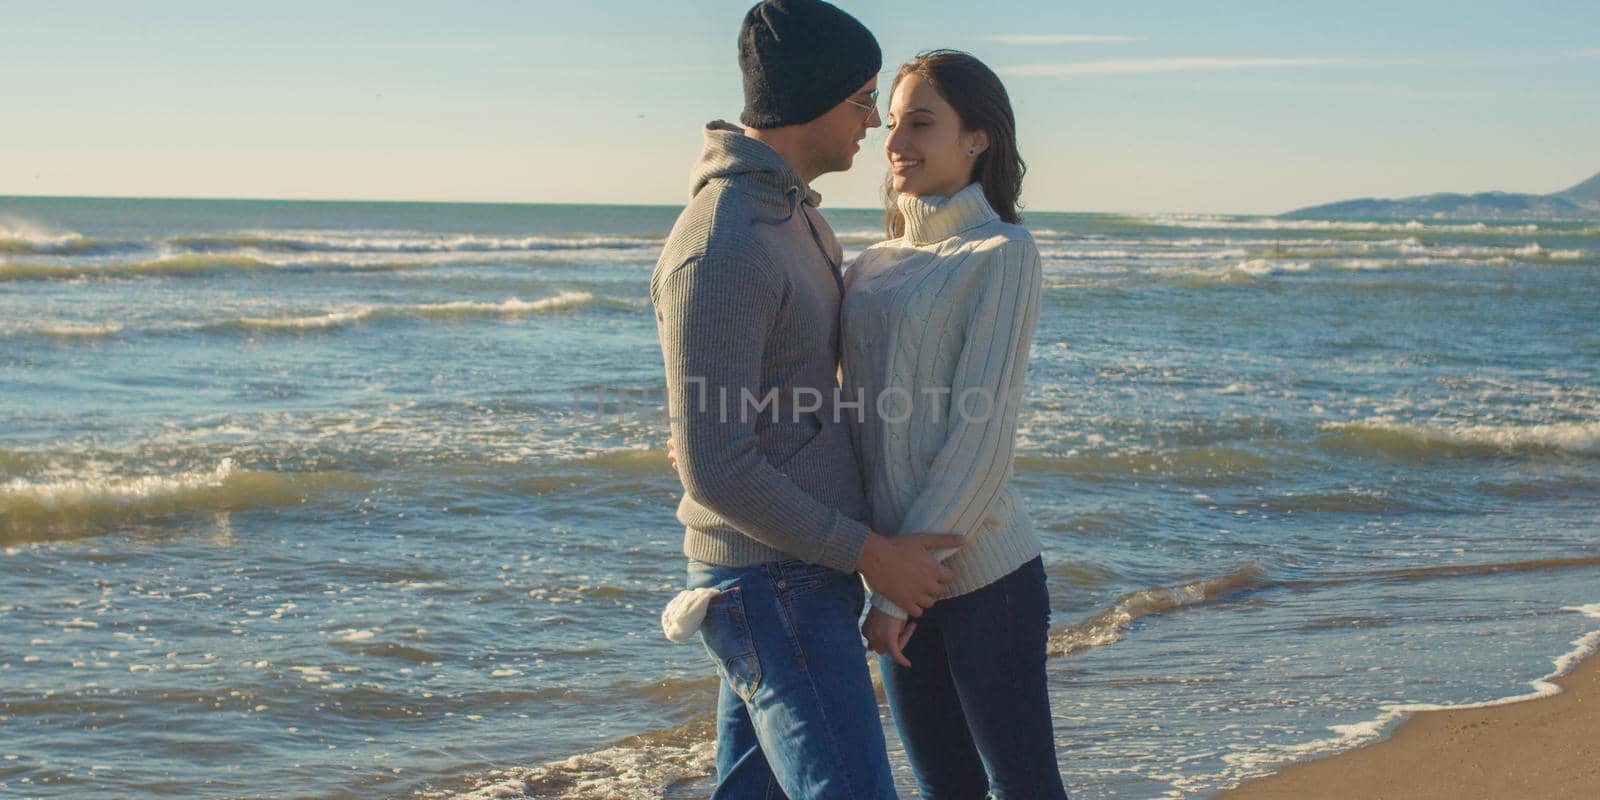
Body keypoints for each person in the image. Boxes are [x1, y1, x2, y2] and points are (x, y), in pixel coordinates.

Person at [649, 2, 964, 798]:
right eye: (862, 100)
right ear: (812, 99)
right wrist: (872, 554)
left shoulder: (795, 220)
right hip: (770, 586)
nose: (872, 125)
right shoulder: (724, 243)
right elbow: (715, 467)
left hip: (801, 575)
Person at [845, 50, 1069, 799]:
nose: (895, 139)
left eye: (921, 122)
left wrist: (895, 593)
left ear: (977, 138)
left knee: (1025, 788)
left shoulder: (1003, 252)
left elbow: (979, 441)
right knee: (945, 791)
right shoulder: (869, 265)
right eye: (893, 121)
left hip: (984, 580)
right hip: (897, 575)